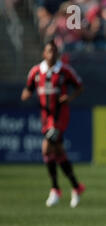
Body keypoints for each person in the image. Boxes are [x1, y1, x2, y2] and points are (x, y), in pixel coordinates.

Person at [21, 39, 85, 208]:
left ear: (58, 53)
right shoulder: (36, 72)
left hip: (60, 117)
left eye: (55, 51)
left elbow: (79, 87)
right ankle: (76, 187)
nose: (52, 54)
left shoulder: (64, 71)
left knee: (46, 148)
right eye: (49, 51)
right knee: (58, 153)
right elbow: (27, 90)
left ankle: (55, 189)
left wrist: (68, 98)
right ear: (44, 53)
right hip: (45, 118)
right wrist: (26, 95)